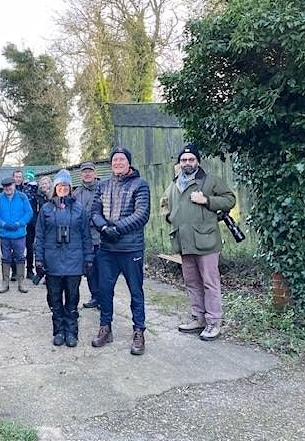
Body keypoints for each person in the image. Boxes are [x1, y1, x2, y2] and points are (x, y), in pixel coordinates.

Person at [161, 143, 236, 341]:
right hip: (184, 242)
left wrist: (207, 201)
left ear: (198, 161)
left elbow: (230, 200)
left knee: (210, 283)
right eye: (184, 160)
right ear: (180, 163)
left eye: (191, 159)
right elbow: (164, 204)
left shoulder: (210, 181)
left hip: (207, 241)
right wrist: (169, 217)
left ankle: (213, 322)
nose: (187, 163)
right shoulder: (174, 184)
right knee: (192, 282)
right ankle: (198, 318)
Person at [90, 147, 150, 355]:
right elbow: (94, 212)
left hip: (131, 247)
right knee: (104, 290)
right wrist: (104, 228)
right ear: (111, 164)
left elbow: (141, 214)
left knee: (136, 291)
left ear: (129, 162)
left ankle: (139, 331)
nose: (118, 163)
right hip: (107, 248)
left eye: (122, 159)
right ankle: (105, 327)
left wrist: (117, 228)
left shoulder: (140, 185)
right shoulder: (103, 185)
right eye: (114, 160)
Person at [35, 170, 93, 348]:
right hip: (52, 260)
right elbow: (40, 235)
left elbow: (86, 236)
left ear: (70, 188)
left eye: (65, 186)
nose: (63, 189)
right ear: (55, 188)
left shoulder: (79, 209)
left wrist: (88, 258)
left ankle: (71, 331)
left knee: (72, 297)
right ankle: (58, 330)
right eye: (59, 186)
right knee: (54, 297)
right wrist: (39, 259)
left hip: (73, 261)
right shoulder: (45, 209)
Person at [0, 176, 33, 293]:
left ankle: (21, 283)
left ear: (14, 185)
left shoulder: (22, 197)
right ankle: (5, 283)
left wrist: (20, 223)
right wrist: (2, 224)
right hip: (4, 235)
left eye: (10, 185)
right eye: (5, 186)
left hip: (19, 234)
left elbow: (29, 212)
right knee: (5, 258)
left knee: (20, 257)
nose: (7, 188)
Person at [73, 161, 101, 309]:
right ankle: (95, 296)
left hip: (101, 237)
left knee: (103, 270)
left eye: (90, 171)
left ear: (95, 173)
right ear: (81, 174)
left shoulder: (103, 189)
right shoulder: (76, 193)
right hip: (84, 239)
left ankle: (105, 298)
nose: (87, 174)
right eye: (84, 171)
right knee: (89, 270)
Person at [22, 170, 40, 279]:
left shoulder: (36, 190)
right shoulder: (22, 190)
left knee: (30, 247)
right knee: (21, 247)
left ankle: (30, 269)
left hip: (33, 222)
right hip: (25, 222)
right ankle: (19, 271)